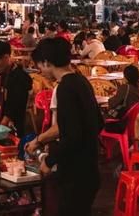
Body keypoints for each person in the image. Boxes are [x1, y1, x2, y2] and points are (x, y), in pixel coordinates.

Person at [32, 37, 102, 216]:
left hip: (75, 173)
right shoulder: (82, 81)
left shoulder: (65, 88)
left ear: (47, 62)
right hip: (91, 167)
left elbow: (71, 135)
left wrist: (49, 161)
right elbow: (98, 122)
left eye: (39, 66)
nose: (40, 71)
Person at [0, 41, 33, 137]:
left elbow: (15, 106)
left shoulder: (19, 77)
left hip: (18, 127)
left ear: (6, 57)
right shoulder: (6, 74)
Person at [103, 65, 139, 133]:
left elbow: (113, 104)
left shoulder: (125, 88)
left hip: (119, 124)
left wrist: (111, 97)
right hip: (131, 122)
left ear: (126, 77)